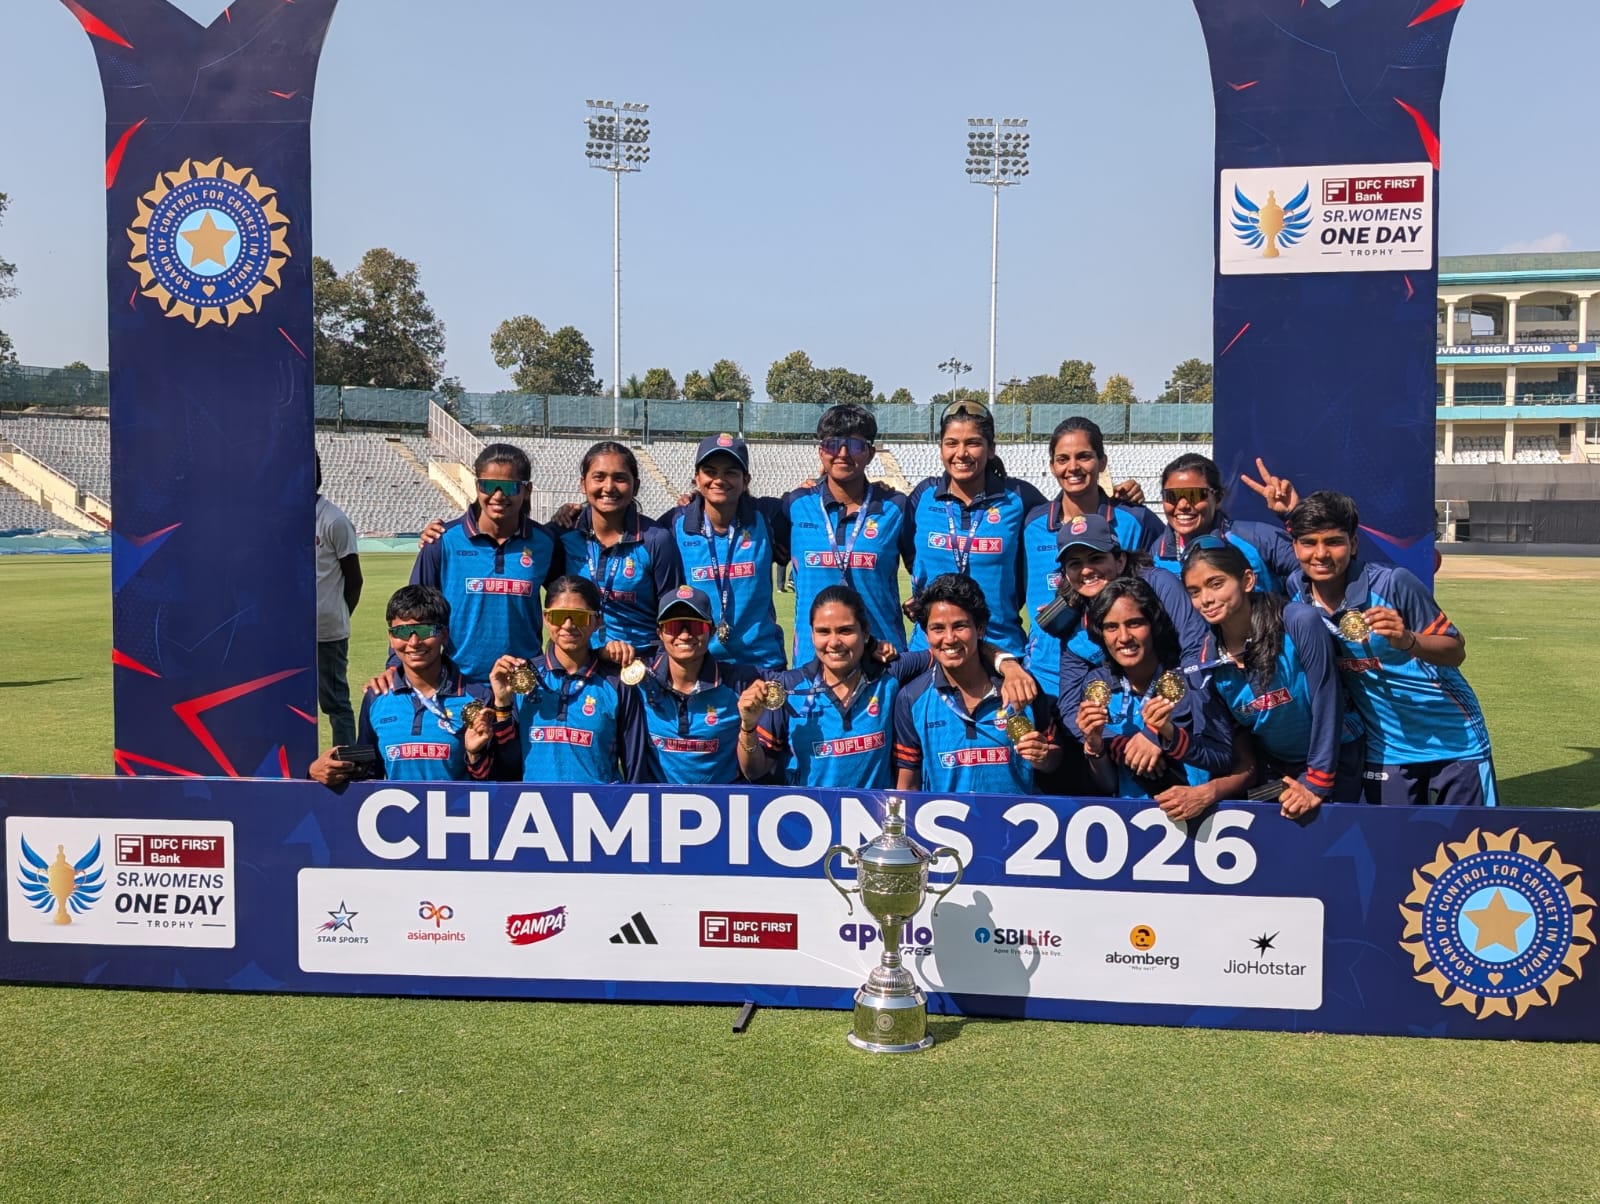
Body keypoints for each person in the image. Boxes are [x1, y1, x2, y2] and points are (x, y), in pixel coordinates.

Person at [1284, 491, 1497, 806]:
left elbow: (1456, 650)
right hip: (1386, 750)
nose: (1321, 554)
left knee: (1468, 836)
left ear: (1353, 543)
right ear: (1295, 547)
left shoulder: (1393, 583)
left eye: (1334, 542)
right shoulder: (1296, 591)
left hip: (1456, 741)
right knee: (1390, 838)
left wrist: (1408, 640)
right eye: (1309, 543)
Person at [751, 584, 1039, 789]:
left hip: (874, 826)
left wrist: (1008, 665)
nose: (834, 642)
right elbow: (754, 772)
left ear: (865, 633)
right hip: (810, 825)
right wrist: (747, 728)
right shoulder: (788, 687)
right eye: (823, 632)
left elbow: (951, 650)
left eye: (846, 630)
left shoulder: (890, 672)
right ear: (811, 634)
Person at [1181, 537, 1364, 816]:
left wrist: (1316, 782)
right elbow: (1223, 751)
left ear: (1247, 580)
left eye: (1216, 584)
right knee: (1273, 836)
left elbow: (1327, 700)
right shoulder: (1204, 662)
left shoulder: (1298, 621)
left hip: (1337, 761)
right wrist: (1170, 736)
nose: (1205, 599)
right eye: (1194, 592)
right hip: (1276, 773)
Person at [1075, 578, 1253, 820]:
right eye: (1111, 627)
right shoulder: (1097, 685)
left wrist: (1205, 792)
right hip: (1131, 823)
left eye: (1135, 623)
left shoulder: (1192, 678)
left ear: (1154, 624)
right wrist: (1095, 746)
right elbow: (1107, 785)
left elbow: (1240, 763)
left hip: (1204, 820)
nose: (1124, 637)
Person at [1023, 416, 1164, 699]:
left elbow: (1165, 583)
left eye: (1084, 456)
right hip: (1045, 679)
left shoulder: (1135, 520)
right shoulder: (1032, 524)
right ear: (1052, 466)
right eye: (1063, 459)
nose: (1073, 467)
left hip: (1117, 679)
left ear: (1102, 462)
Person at [309, 585, 504, 785]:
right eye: (402, 632)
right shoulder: (377, 697)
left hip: (458, 807)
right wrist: (316, 773)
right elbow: (367, 775)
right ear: (391, 638)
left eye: (425, 630)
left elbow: (500, 783)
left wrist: (474, 755)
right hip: (396, 806)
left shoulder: (478, 698)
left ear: (444, 635)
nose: (414, 642)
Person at [893, 574, 1062, 795]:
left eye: (960, 626)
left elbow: (1054, 757)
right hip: (941, 818)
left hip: (1015, 817)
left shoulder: (1022, 685)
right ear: (926, 635)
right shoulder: (911, 698)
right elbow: (907, 786)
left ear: (980, 629)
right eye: (938, 628)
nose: (949, 638)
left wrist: (1044, 757)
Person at [902, 400, 1047, 656]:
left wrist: (1114, 500)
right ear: (940, 448)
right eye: (951, 443)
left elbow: (1068, 524)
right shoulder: (923, 496)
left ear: (991, 449)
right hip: (930, 649)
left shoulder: (1020, 498)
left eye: (973, 443)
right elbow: (910, 555)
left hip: (1002, 648)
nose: (961, 453)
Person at [410, 443, 562, 680]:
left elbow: (570, 602)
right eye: (488, 486)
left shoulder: (545, 542)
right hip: (459, 683)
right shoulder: (442, 541)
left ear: (527, 490)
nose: (498, 495)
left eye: (510, 487)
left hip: (523, 680)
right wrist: (395, 665)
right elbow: (412, 610)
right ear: (477, 486)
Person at [1055, 514, 1210, 735]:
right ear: (1066, 575)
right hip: (1127, 727)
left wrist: (1160, 733)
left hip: (1186, 714)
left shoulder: (1159, 584)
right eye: (1075, 564)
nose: (1086, 570)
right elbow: (1070, 705)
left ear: (1120, 561)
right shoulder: (1073, 617)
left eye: (1096, 558)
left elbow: (1196, 655)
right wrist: (1111, 743)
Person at [780, 404, 912, 661]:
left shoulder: (896, 507)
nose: (842, 453)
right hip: (812, 661)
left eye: (854, 445)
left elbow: (928, 568)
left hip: (882, 658)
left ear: (870, 453)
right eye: (833, 445)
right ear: (821, 452)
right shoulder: (796, 505)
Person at [487, 575, 640, 785]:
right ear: (545, 618)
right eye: (558, 616)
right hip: (534, 802)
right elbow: (507, 764)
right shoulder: (522, 677)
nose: (568, 625)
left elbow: (635, 766)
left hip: (602, 804)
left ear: (597, 621)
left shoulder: (617, 683)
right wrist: (502, 704)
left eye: (579, 617)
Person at [663, 434, 791, 672]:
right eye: (710, 472)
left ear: (746, 480)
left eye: (730, 472)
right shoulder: (673, 524)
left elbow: (813, 507)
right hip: (700, 665)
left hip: (763, 664)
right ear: (697, 478)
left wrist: (817, 481)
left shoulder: (768, 516)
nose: (719, 480)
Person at [619, 585, 768, 785]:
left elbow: (755, 773)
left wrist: (748, 727)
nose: (684, 635)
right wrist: (603, 653)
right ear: (660, 633)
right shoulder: (639, 679)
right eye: (674, 627)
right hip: (654, 802)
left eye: (695, 626)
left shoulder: (739, 683)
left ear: (711, 631)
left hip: (722, 802)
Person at [556, 441, 682, 663]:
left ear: (636, 486)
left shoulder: (656, 540)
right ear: (583, 484)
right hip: (582, 662)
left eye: (620, 478)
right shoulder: (563, 534)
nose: (608, 487)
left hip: (641, 664)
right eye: (599, 477)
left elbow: (672, 614)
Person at [1148, 453, 1300, 593]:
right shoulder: (1155, 555)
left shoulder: (1258, 539)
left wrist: (1293, 514)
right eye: (1172, 496)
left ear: (1218, 498)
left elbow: (1310, 566)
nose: (1182, 505)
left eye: (1194, 495)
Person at [314, 452, 363, 747]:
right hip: (287, 631)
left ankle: (346, 761)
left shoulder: (333, 520)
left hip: (326, 632)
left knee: (335, 703)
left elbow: (354, 579)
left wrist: (339, 613)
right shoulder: (282, 517)